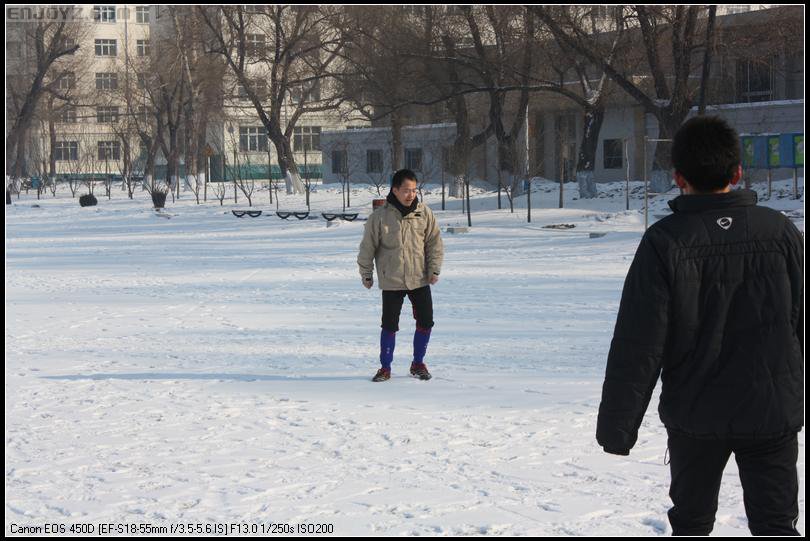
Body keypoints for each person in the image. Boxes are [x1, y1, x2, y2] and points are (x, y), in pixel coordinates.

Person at [596, 116, 804, 536]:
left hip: (697, 414)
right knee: (776, 524)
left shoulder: (665, 241)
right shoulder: (779, 230)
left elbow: (639, 342)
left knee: (691, 525)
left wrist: (618, 426)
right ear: (737, 172)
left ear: (677, 177)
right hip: (772, 410)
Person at [358, 169, 444, 382]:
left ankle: (418, 363)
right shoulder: (379, 217)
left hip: (419, 278)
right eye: (406, 190)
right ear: (395, 190)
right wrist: (366, 273)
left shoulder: (424, 213)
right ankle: (385, 367)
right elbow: (367, 247)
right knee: (389, 324)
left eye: (414, 190)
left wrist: (434, 269)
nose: (411, 195)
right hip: (392, 280)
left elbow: (434, 243)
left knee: (426, 321)